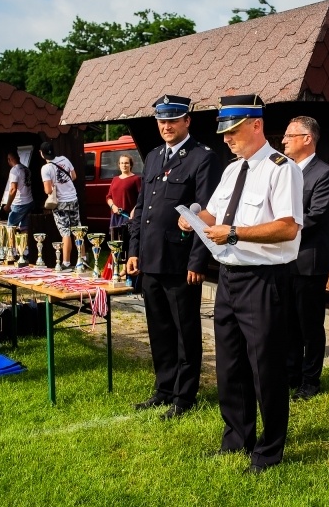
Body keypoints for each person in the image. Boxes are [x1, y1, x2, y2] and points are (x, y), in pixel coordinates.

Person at [179, 94, 304, 473]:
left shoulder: (282, 168)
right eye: (223, 132)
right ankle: (236, 437)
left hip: (264, 279)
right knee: (230, 364)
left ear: (256, 125)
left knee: (265, 367)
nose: (226, 139)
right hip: (229, 277)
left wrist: (233, 233)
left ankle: (269, 450)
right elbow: (214, 211)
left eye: (232, 131)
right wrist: (194, 216)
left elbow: (288, 227)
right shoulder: (233, 170)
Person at [127, 94, 221, 420]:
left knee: (185, 331)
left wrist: (198, 261)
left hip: (180, 261)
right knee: (159, 329)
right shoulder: (153, 157)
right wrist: (133, 250)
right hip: (151, 259)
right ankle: (164, 389)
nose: (166, 126)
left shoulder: (202, 158)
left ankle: (184, 396)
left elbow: (206, 213)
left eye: (173, 120)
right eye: (161, 121)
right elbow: (142, 210)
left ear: (187, 121)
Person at [281, 116, 329, 401]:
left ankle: (310, 381)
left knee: (309, 325)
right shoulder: (282, 171)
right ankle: (290, 374)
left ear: (308, 138)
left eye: (290, 135)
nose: (284, 141)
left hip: (308, 261)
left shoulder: (324, 174)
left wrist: (278, 230)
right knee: (288, 323)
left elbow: (315, 215)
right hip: (283, 259)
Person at [40, 141, 81, 270]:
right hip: (73, 198)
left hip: (60, 202)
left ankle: (66, 262)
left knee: (65, 232)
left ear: (42, 154)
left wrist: (54, 185)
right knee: (78, 229)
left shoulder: (46, 168)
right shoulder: (64, 159)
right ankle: (82, 259)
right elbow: (74, 176)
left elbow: (48, 190)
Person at [106, 153, 141, 267]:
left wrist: (134, 210)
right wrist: (113, 206)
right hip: (115, 217)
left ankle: (126, 268)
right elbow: (109, 197)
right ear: (118, 165)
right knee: (115, 245)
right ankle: (115, 269)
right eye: (121, 163)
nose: (124, 165)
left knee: (127, 244)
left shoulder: (136, 179)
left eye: (126, 163)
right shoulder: (115, 179)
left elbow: (142, 198)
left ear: (130, 165)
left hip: (129, 218)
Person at [3, 150, 33, 231]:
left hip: (19, 203)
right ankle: (25, 243)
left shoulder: (14, 170)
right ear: (18, 158)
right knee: (24, 227)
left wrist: (7, 205)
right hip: (29, 201)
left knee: (10, 227)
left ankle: (11, 244)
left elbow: (13, 189)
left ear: (9, 159)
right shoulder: (26, 169)